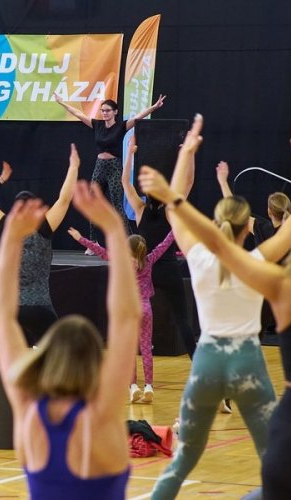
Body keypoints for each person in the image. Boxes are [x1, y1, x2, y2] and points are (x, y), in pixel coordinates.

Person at [140, 117, 291, 499]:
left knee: (187, 460)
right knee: (284, 466)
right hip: (280, 380)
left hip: (223, 369)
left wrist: (180, 175)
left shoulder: (245, 271)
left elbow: (197, 227)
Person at [0, 183, 141, 500]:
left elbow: (1, 318)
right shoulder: (102, 416)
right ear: (94, 362)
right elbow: (127, 318)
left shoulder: (28, 413)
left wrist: (11, 239)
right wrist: (114, 230)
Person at [0, 145, 81, 411]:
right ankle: (64, 401)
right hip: (41, 308)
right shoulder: (44, 227)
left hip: (12, 308)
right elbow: (64, 199)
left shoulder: (7, 227)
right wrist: (73, 167)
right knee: (60, 352)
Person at [68, 226, 174, 403]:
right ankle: (148, 386)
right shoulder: (149, 260)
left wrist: (80, 238)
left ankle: (133, 387)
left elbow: (101, 252)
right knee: (146, 348)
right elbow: (164, 244)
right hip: (145, 309)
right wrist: (175, 228)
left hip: (129, 310)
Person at [123, 135, 198, 361]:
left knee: (131, 318)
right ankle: (197, 364)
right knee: (182, 319)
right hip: (168, 270)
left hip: (145, 271)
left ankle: (126, 365)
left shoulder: (139, 210)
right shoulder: (170, 211)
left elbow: (125, 182)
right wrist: (189, 154)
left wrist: (130, 153)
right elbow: (189, 182)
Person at [54, 93, 165, 240]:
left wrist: (155, 107)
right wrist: (62, 103)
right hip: (99, 166)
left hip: (114, 167)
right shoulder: (97, 125)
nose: (104, 113)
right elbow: (78, 114)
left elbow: (139, 117)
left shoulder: (121, 126)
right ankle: (93, 242)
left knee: (117, 205)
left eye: (107, 110)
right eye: (102, 110)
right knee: (92, 203)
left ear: (115, 112)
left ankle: (130, 241)